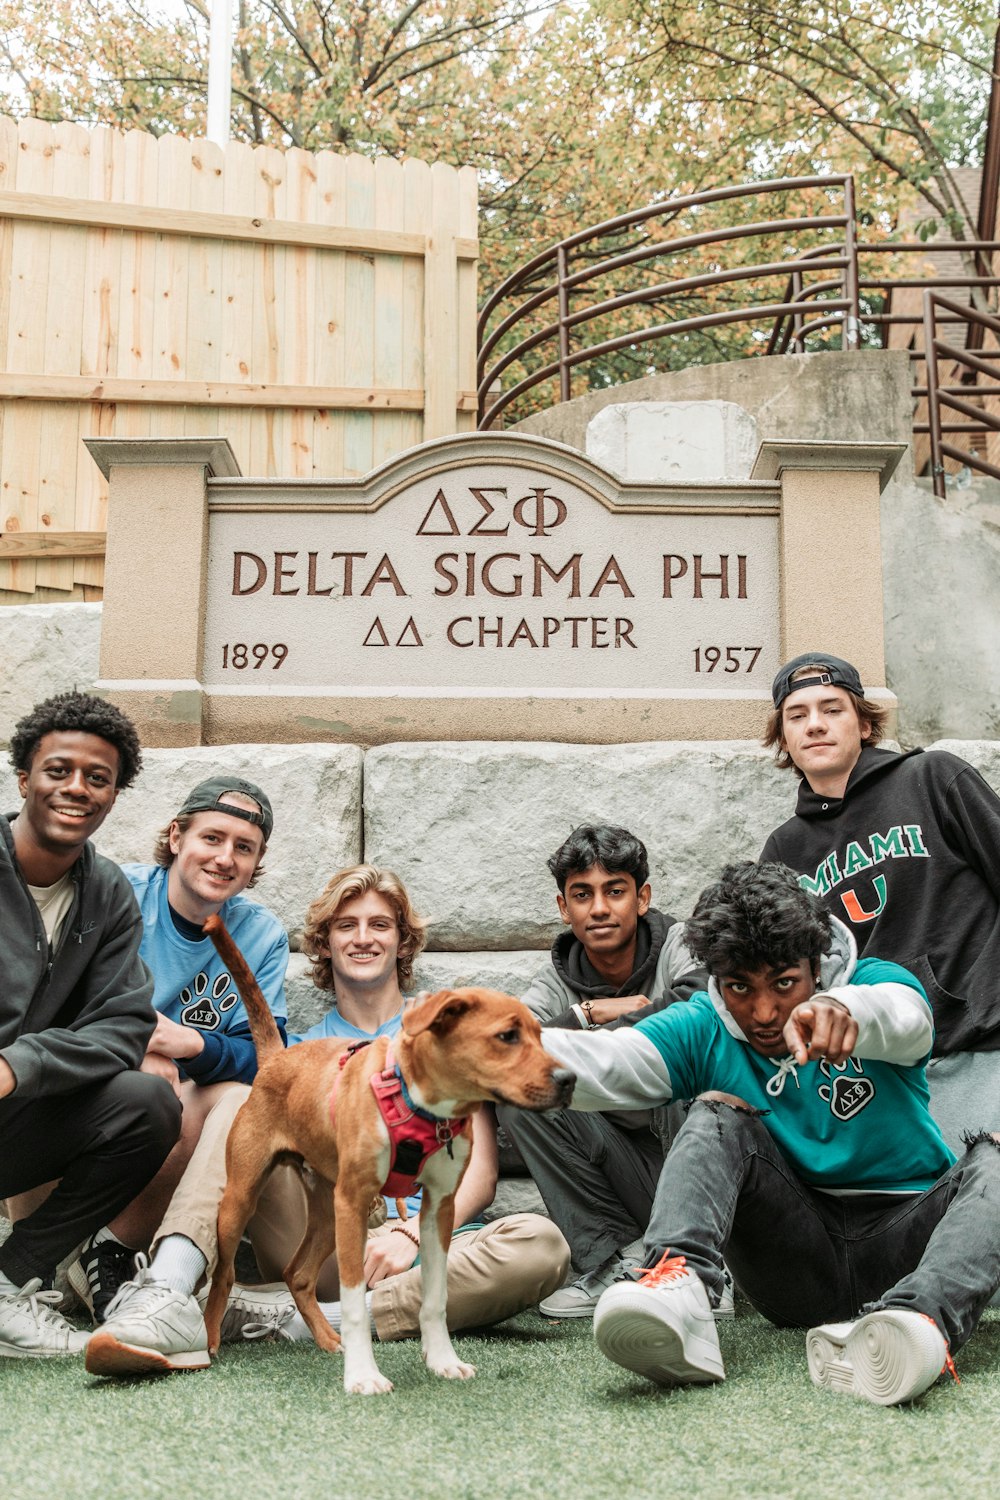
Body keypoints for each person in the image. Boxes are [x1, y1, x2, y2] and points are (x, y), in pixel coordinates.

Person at [538, 861, 1000, 1406]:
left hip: (907, 1241)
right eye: (739, 987)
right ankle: (677, 1289)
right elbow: (607, 1061)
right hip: (792, 1263)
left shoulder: (875, 984)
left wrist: (843, 1010)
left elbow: (907, 1020)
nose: (763, 1011)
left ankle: (917, 1324)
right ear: (717, 982)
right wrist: (484, 1050)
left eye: (784, 983)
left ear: (818, 968)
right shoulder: (702, 1025)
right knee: (714, 1111)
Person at [86, 864, 568, 1376]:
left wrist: (405, 1241)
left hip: (426, 1250)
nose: (364, 938)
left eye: (380, 925)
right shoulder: (298, 1055)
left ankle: (290, 1315)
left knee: (539, 1246)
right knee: (235, 1102)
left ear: (404, 943)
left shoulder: (460, 1034)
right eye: (346, 926)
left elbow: (479, 1175)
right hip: (333, 1234)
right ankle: (170, 1288)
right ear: (324, 944)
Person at [68, 775, 288, 1324]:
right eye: (212, 838)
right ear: (175, 837)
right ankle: (82, 1257)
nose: (224, 857)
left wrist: (188, 1043)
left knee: (241, 1099)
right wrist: (134, 1048)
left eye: (244, 847)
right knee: (146, 1084)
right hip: (80, 1127)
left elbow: (268, 1059)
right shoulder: (117, 893)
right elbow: (54, 1011)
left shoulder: (260, 935)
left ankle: (163, 1277)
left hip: (176, 1141)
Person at [0, 691, 181, 1357]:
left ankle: (7, 1278)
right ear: (25, 779)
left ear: (111, 794)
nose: (77, 788)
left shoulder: (108, 895)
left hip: (12, 1114)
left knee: (148, 1103)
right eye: (59, 770)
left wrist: (18, 1065)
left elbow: (123, 1025)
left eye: (97, 778)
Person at [759, 651, 1000, 1149]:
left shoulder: (933, 778)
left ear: (864, 724)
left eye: (832, 709)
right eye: (797, 716)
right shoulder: (783, 851)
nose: (815, 726)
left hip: (984, 1042)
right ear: (783, 738)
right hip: (886, 1074)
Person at [498, 823, 706, 1318]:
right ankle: (621, 1259)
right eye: (582, 894)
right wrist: (589, 1014)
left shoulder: (681, 943)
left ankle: (697, 1262)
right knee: (523, 1091)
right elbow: (508, 1050)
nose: (598, 908)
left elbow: (697, 1006)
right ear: (563, 907)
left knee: (688, 1053)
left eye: (615, 891)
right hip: (624, 1171)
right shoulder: (556, 977)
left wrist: (611, 1033)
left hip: (701, 1168)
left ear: (642, 897)